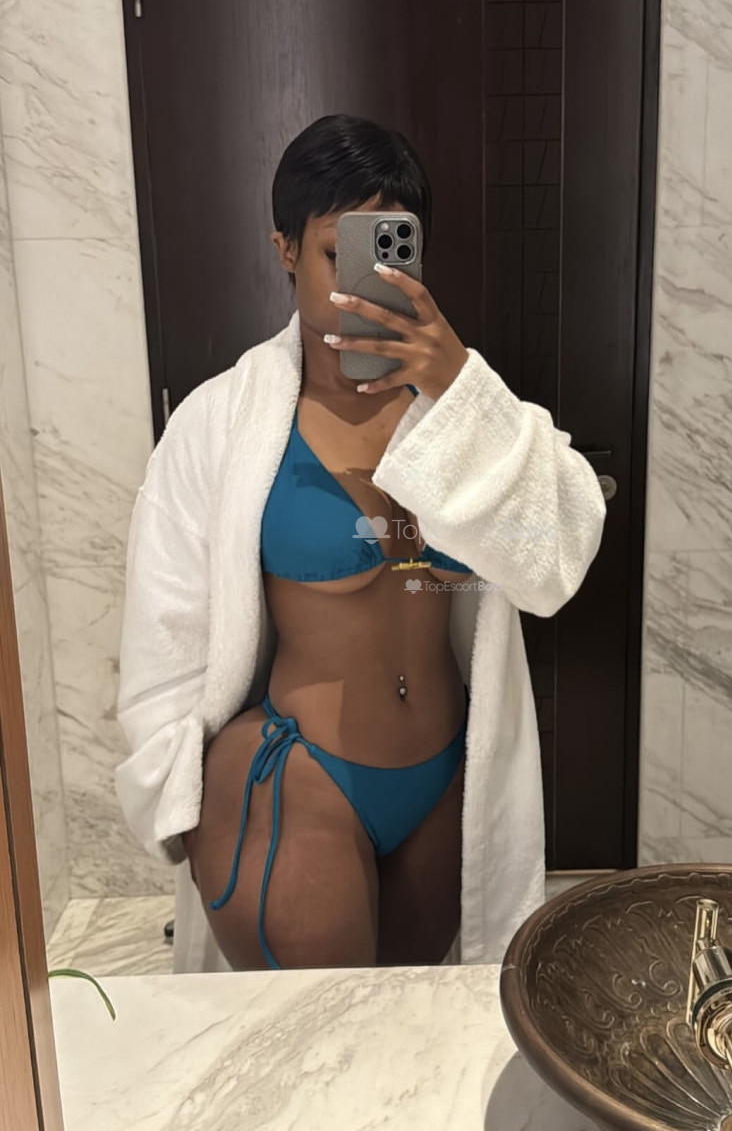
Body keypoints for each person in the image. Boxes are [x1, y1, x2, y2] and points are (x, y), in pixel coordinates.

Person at [114, 114, 606, 972]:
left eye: (390, 250)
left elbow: (555, 558)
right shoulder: (221, 423)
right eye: (337, 251)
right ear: (285, 250)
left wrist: (459, 384)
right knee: (324, 1034)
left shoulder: (460, 408)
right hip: (298, 779)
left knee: (402, 1032)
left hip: (444, 784)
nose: (365, 280)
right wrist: (178, 784)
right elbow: (166, 622)